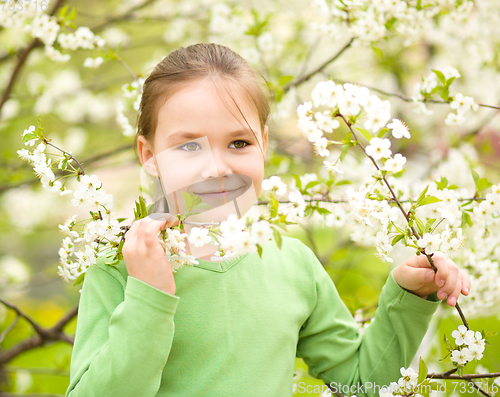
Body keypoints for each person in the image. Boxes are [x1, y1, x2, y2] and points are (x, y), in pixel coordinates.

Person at [65, 43, 470, 397]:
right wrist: (148, 296)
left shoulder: (292, 263)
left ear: (263, 142)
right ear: (149, 154)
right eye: (189, 145)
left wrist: (408, 297)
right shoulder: (120, 270)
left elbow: (362, 380)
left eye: (239, 143)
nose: (216, 167)